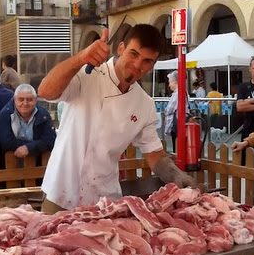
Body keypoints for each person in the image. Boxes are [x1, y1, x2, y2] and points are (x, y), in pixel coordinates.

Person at [37, 24, 196, 214]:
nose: (138, 65)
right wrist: (81, 58)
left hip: (105, 201)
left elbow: (154, 154)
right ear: (121, 48)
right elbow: (45, 91)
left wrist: (176, 175)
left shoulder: (144, 104)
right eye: (134, 54)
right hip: (60, 192)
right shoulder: (88, 76)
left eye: (147, 61)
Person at [0, 84, 56, 158]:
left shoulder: (44, 115)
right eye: (21, 99)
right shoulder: (4, 115)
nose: (25, 103)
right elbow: (6, 142)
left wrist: (29, 148)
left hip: (39, 162)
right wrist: (35, 145)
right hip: (11, 161)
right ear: (15, 99)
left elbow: (50, 140)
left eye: (29, 99)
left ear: (35, 99)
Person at [164, 71, 188, 153]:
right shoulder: (181, 92)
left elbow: (170, 108)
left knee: (177, 147)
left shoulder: (179, 93)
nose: (169, 85)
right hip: (179, 123)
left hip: (177, 123)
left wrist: (166, 110)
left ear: (174, 81)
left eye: (170, 82)